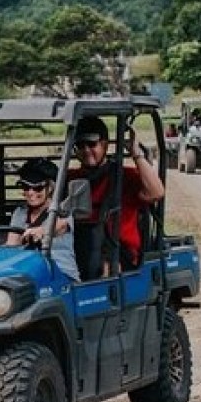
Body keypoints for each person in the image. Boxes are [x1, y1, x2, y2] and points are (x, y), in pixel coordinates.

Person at [69, 115, 164, 279]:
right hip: (78, 249)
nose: (86, 150)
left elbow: (156, 193)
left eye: (92, 144)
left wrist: (136, 154)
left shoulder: (124, 176)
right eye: (80, 145)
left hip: (118, 253)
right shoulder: (71, 178)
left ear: (105, 145)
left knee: (103, 269)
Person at [6, 158, 80, 282]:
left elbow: (61, 226)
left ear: (51, 187)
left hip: (62, 274)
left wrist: (43, 231)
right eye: (25, 186)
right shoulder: (20, 213)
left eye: (38, 187)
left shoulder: (62, 211)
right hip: (28, 273)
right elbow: (11, 246)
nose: (30, 192)